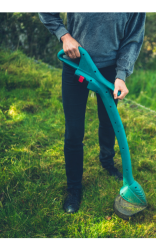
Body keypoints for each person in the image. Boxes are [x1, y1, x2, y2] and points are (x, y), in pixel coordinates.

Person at [38, 12, 146, 213]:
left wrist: (121, 74)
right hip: (77, 63)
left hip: (110, 71)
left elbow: (133, 38)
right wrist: (64, 35)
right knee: (74, 131)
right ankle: (74, 190)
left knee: (108, 122)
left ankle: (107, 161)